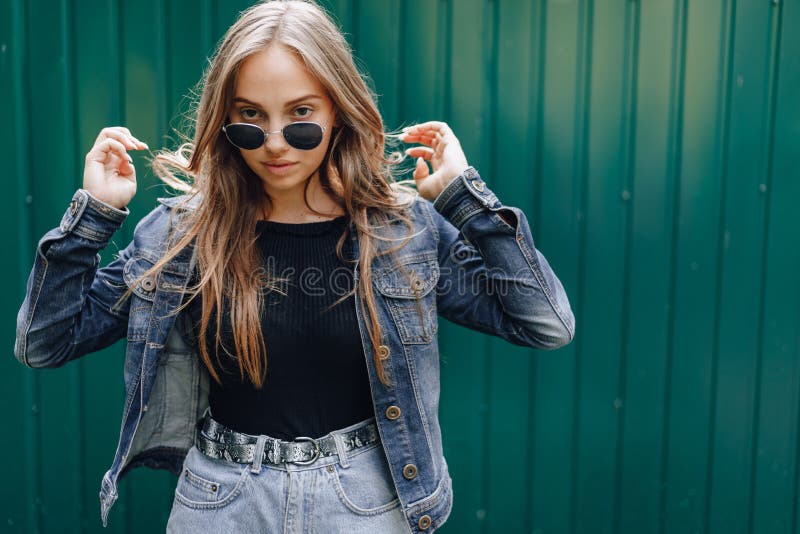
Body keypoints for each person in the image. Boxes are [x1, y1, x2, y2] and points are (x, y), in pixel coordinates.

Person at [13, 1, 575, 532]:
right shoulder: (180, 235)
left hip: (365, 505)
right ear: (225, 121)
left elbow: (544, 323)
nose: (276, 144)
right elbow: (46, 342)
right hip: (221, 505)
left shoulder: (403, 233)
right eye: (251, 119)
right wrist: (94, 218)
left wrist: (461, 198)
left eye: (301, 115)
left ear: (338, 109)